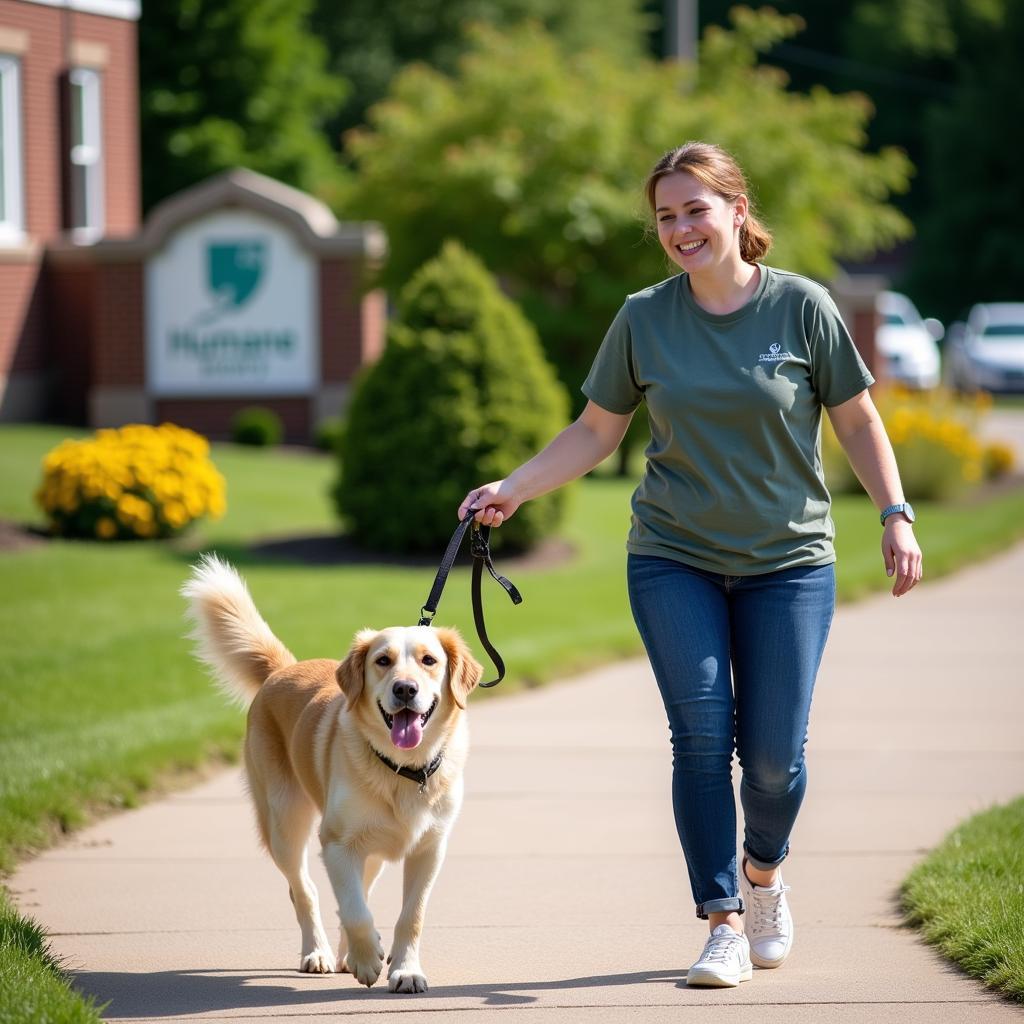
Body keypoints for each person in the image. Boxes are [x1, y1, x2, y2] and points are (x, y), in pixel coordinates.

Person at [458, 141, 922, 989]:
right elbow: (597, 431)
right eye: (666, 216)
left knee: (776, 758)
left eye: (695, 210)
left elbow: (857, 420)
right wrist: (516, 487)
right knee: (703, 739)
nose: (679, 228)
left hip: (789, 561)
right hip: (674, 556)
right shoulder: (644, 317)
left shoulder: (803, 309)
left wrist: (894, 512)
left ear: (738, 213)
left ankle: (764, 873)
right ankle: (722, 921)